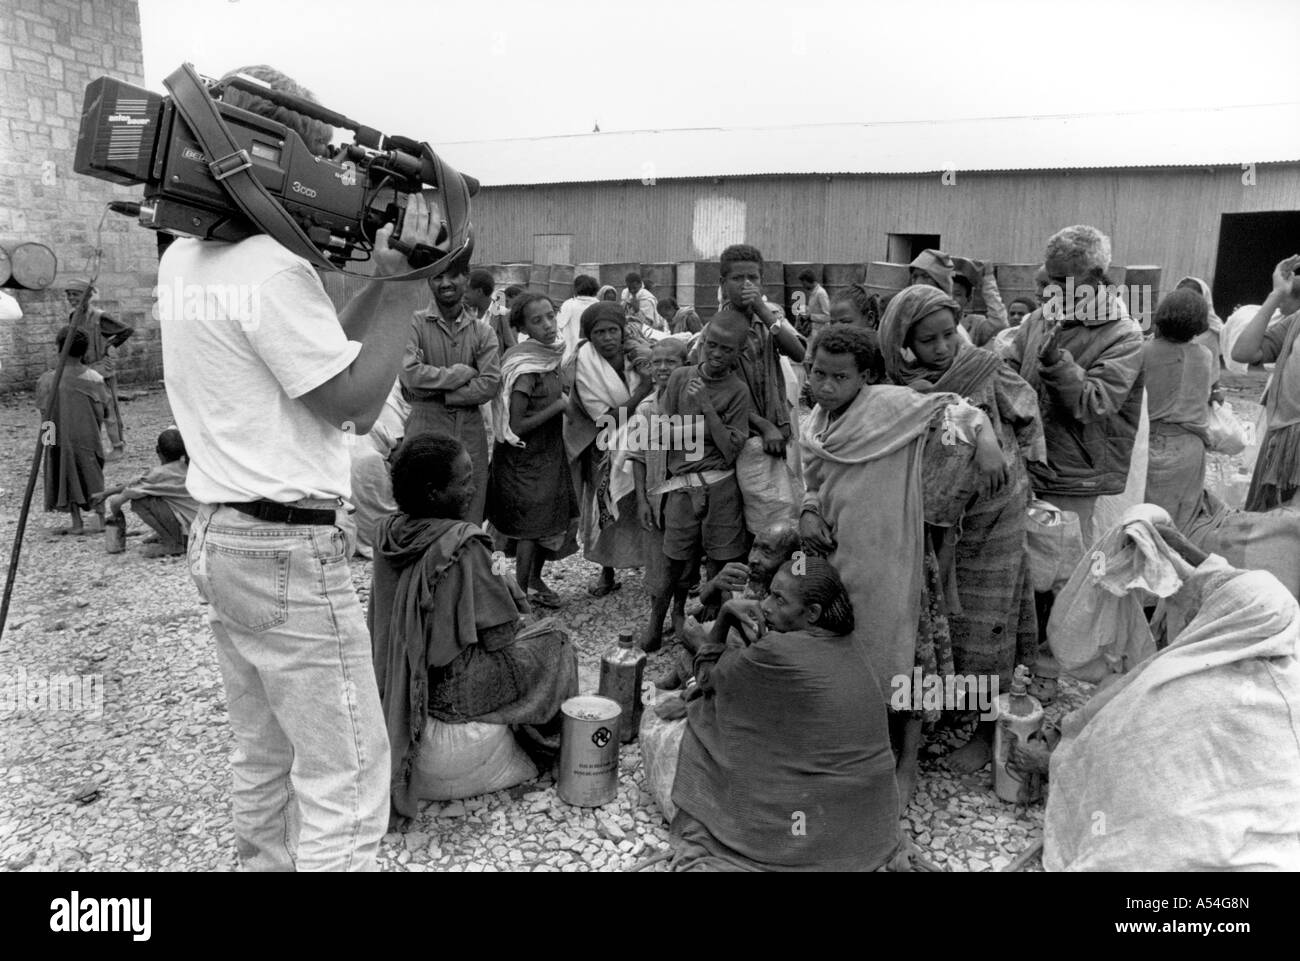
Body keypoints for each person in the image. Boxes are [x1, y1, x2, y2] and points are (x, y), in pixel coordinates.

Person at [158, 63, 438, 871]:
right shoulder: (272, 270)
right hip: (283, 548)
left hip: (221, 534)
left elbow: (314, 359)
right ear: (262, 159)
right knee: (345, 777)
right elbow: (351, 403)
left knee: (265, 755)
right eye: (310, 159)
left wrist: (378, 285)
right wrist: (409, 291)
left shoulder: (187, 260)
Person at [800, 325, 1005, 805]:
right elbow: (809, 476)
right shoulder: (814, 422)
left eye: (839, 377)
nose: (825, 385)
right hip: (841, 556)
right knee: (847, 652)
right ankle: (857, 749)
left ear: (865, 377)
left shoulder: (890, 406)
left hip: (897, 559)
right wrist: (809, 508)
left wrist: (987, 438)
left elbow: (957, 408)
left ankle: (906, 761)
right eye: (817, 373)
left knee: (910, 661)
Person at [1033, 523, 1300, 871]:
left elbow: (1115, 748)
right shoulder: (1283, 664)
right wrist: (1167, 538)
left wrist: (1054, 760)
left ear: (1220, 617)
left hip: (1164, 839)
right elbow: (1214, 578)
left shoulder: (1177, 679)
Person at [879, 285, 1045, 773]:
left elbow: (1028, 412)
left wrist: (1005, 450)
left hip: (994, 511)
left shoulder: (985, 367)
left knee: (987, 615)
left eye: (949, 334)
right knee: (942, 617)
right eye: (927, 339)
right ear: (904, 341)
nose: (942, 347)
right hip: (934, 519)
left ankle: (987, 723)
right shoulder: (898, 382)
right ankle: (945, 711)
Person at [370, 433, 579, 819]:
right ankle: (550, 746)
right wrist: (513, 602)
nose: (472, 488)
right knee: (557, 640)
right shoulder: (463, 544)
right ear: (434, 492)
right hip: (450, 692)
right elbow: (500, 637)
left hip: (403, 681)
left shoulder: (388, 534)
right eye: (464, 481)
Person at [668, 558, 903, 872]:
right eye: (769, 593)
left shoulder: (776, 652)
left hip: (814, 833)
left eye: (778, 599)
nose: (764, 605)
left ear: (813, 613)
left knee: (687, 730)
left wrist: (725, 617)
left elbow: (707, 677)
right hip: (871, 828)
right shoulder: (849, 643)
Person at [1001, 225, 1145, 544]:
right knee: (1026, 562)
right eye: (1049, 277)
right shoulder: (1041, 318)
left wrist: (1056, 363)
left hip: (1072, 476)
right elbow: (1010, 369)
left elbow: (1095, 402)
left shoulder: (1123, 334)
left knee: (1062, 567)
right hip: (1026, 462)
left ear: (1094, 277)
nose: (1049, 287)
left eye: (1060, 279)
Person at [657, 310, 752, 634]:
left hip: (721, 488)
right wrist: (711, 427)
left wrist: (706, 409)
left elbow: (729, 452)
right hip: (684, 486)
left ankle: (710, 629)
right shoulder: (680, 377)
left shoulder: (738, 390)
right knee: (674, 564)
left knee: (719, 562)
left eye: (726, 349)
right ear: (702, 342)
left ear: (738, 353)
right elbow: (663, 433)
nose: (715, 353)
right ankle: (664, 619)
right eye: (711, 345)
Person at [485, 293, 579, 610]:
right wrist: (558, 406)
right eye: (537, 321)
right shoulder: (526, 367)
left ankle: (534, 581)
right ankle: (520, 600)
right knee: (528, 529)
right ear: (523, 327)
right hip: (522, 458)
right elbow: (516, 425)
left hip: (548, 453)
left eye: (550, 316)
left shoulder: (548, 356)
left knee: (547, 520)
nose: (548, 325)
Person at [703, 245, 805, 534]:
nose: (746, 285)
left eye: (754, 278)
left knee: (782, 506)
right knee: (742, 511)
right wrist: (763, 426)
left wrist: (761, 309)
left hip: (778, 429)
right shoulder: (716, 330)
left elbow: (797, 352)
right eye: (737, 278)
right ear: (722, 284)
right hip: (739, 435)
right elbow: (715, 392)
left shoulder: (769, 320)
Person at [400, 258, 502, 524]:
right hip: (425, 425)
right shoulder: (414, 324)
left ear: (466, 279)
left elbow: (489, 384)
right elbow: (411, 376)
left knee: (468, 509)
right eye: (437, 277)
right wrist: (461, 373)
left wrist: (443, 393)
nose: (445, 283)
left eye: (453, 276)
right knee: (422, 509)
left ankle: (466, 565)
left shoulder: (483, 332)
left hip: (469, 429)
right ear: (429, 281)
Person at [563, 302, 653, 596]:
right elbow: (604, 419)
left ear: (622, 330)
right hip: (604, 445)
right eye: (599, 332)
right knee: (605, 506)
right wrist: (641, 394)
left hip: (645, 438)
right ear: (589, 336)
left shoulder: (639, 355)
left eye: (613, 330)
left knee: (647, 501)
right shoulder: (584, 365)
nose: (607, 338)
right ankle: (607, 570)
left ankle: (653, 565)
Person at [626, 338, 692, 651]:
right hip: (656, 499)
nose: (663, 368)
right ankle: (656, 619)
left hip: (685, 499)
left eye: (671, 362)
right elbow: (637, 457)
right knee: (658, 563)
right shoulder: (646, 409)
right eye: (657, 362)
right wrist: (641, 500)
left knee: (683, 562)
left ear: (685, 366)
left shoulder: (692, 407)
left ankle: (677, 611)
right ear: (650, 369)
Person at [1230, 255, 1300, 511]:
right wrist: (1277, 294)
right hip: (1285, 445)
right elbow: (1243, 353)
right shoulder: (1295, 322)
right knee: (1274, 530)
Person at [1142, 288, 1216, 530]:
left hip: (1149, 443)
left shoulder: (1143, 351)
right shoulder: (1205, 355)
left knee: (1144, 520)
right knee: (1181, 524)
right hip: (1191, 447)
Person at [37, 326, 110, 536]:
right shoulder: (95, 379)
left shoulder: (47, 380)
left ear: (59, 348)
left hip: (59, 439)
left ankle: (76, 521)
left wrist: (47, 442)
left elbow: (45, 415)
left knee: (64, 473)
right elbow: (105, 411)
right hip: (89, 437)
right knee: (93, 474)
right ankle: (100, 517)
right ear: (84, 351)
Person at [94, 427, 198, 558]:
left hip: (191, 530)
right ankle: (169, 535)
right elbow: (137, 482)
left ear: (157, 450)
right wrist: (106, 493)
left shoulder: (158, 474)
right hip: (201, 527)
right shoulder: (189, 466)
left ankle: (172, 544)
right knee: (151, 494)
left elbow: (117, 501)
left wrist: (116, 515)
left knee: (140, 501)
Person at [64, 279, 132, 457]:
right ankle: (91, 448)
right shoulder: (73, 317)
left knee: (109, 410)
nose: (71, 298)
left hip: (101, 369)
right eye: (69, 294)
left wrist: (111, 345)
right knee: (87, 410)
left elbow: (126, 330)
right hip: (82, 370)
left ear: (86, 296)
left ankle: (118, 446)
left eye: (76, 294)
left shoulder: (100, 317)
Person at [951, 258, 1009, 347]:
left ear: (969, 299)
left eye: (957, 294)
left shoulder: (975, 324)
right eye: (947, 292)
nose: (951, 298)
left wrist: (988, 278)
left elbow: (999, 322)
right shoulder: (930, 317)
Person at [1174, 275, 1224, 367]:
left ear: (1203, 300)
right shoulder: (1168, 323)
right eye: (1180, 297)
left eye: (1190, 299)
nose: (1185, 303)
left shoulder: (1210, 331)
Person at [464, 268, 515, 357]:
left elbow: (512, 348)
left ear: (479, 291)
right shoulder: (466, 314)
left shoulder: (502, 314)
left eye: (466, 292)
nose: (463, 296)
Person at [556, 273, 600, 361]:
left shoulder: (569, 304)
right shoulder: (598, 304)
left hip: (572, 354)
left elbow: (558, 325)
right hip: (595, 353)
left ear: (576, 289)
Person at [797, 268, 831, 340]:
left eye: (803, 283)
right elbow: (815, 309)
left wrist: (810, 317)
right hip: (813, 332)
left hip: (821, 333)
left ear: (807, 281)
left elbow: (828, 317)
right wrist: (805, 309)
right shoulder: (813, 293)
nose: (803, 286)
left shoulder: (821, 293)